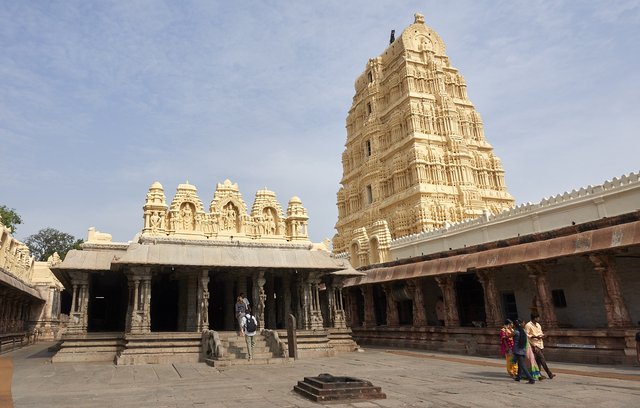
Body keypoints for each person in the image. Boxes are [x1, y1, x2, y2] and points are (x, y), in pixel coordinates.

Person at [525, 313, 555, 379]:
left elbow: (540, 333)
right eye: (538, 318)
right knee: (542, 359)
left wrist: (543, 335)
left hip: (540, 344)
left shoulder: (538, 325)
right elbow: (526, 335)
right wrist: (534, 337)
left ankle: (538, 374)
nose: (539, 319)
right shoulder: (528, 325)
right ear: (534, 318)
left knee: (538, 360)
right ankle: (549, 373)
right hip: (534, 345)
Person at [512, 319, 536, 384]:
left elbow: (508, 336)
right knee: (520, 364)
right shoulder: (524, 331)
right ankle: (518, 377)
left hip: (517, 350)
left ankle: (531, 379)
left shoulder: (516, 332)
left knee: (522, 365)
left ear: (514, 325)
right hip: (523, 349)